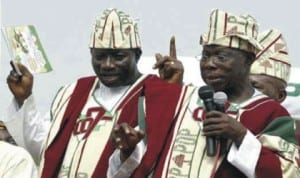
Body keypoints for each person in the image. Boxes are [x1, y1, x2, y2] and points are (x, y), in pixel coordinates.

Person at [109, 9, 300, 178]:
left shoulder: (270, 114)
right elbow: (137, 165)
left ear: (249, 59)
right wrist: (127, 150)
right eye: (206, 55)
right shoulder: (179, 100)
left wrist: (241, 136)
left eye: (221, 56)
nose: (209, 63)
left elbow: (288, 173)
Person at [4, 8, 188, 177]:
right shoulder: (73, 92)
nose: (107, 64)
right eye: (99, 57)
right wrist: (24, 98)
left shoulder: (153, 93)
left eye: (118, 57)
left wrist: (171, 92)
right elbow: (43, 149)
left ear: (137, 55)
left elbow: (163, 153)